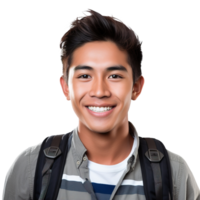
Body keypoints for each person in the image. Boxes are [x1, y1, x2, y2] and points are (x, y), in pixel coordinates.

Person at [2, 8, 200, 200]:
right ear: (66, 87)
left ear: (136, 87)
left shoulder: (174, 173)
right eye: (85, 75)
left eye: (114, 75)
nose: (99, 91)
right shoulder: (30, 167)